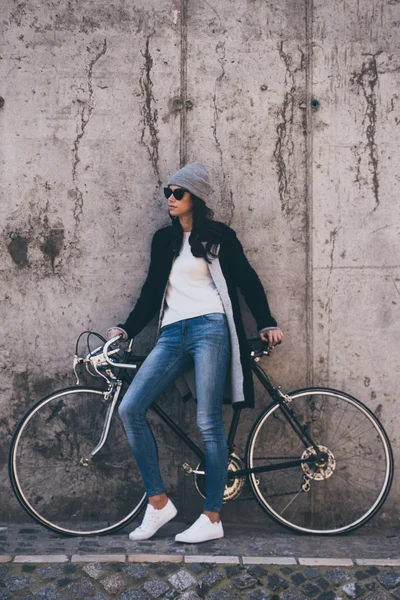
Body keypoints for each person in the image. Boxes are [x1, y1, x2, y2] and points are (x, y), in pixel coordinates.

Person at [107, 162, 283, 543]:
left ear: (195, 197)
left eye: (177, 193)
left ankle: (212, 517)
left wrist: (266, 321)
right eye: (167, 192)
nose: (170, 199)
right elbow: (152, 292)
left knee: (208, 423)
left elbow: (249, 281)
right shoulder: (163, 240)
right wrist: (126, 328)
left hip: (211, 329)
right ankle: (158, 504)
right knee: (130, 408)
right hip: (171, 334)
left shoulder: (219, 237)